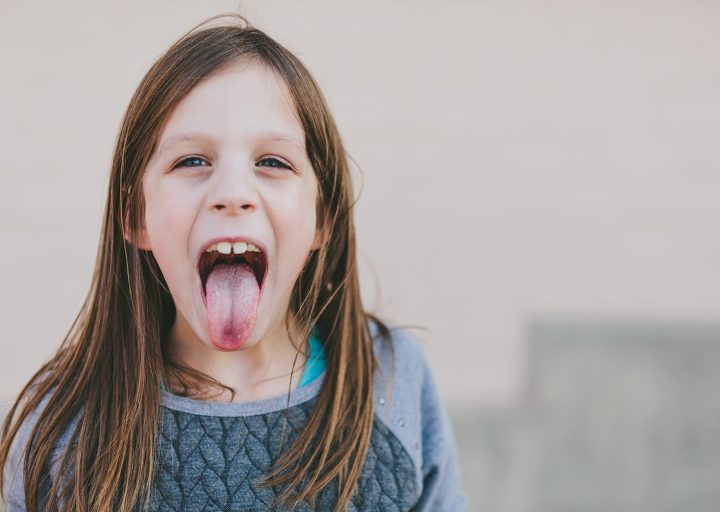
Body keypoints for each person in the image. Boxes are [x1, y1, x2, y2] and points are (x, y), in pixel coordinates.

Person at [0, 14, 466, 512]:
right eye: (192, 161)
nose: (233, 194)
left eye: (272, 162)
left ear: (321, 219)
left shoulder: (390, 379)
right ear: (136, 216)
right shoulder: (62, 426)